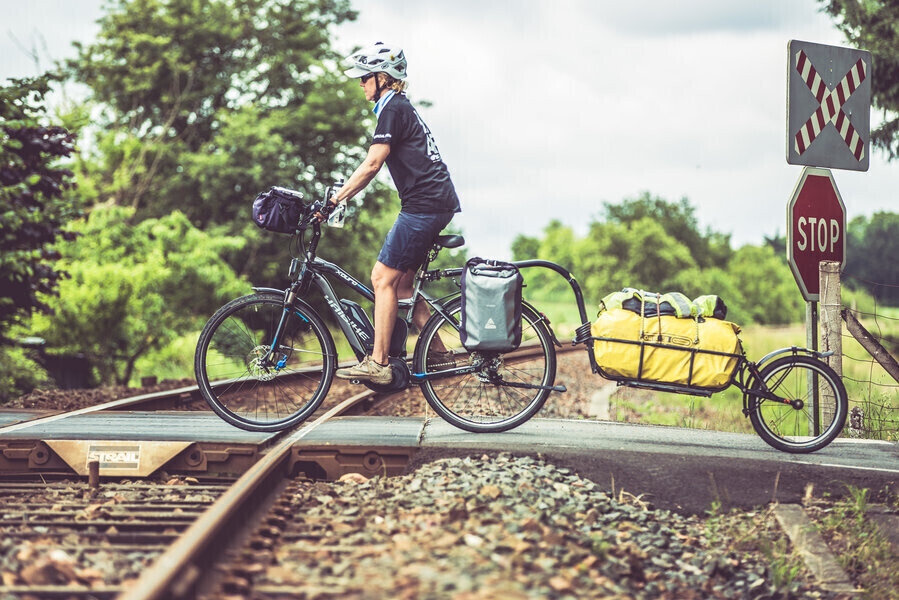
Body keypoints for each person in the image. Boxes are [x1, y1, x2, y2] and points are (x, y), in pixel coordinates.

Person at [326, 42, 461, 385]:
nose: (360, 84)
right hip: (433, 202)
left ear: (382, 78)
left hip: (424, 205)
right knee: (402, 286)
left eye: (364, 78)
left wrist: (335, 199)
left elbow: (372, 163)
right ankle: (440, 356)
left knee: (381, 279)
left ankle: (379, 362)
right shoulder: (398, 107)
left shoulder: (393, 109)